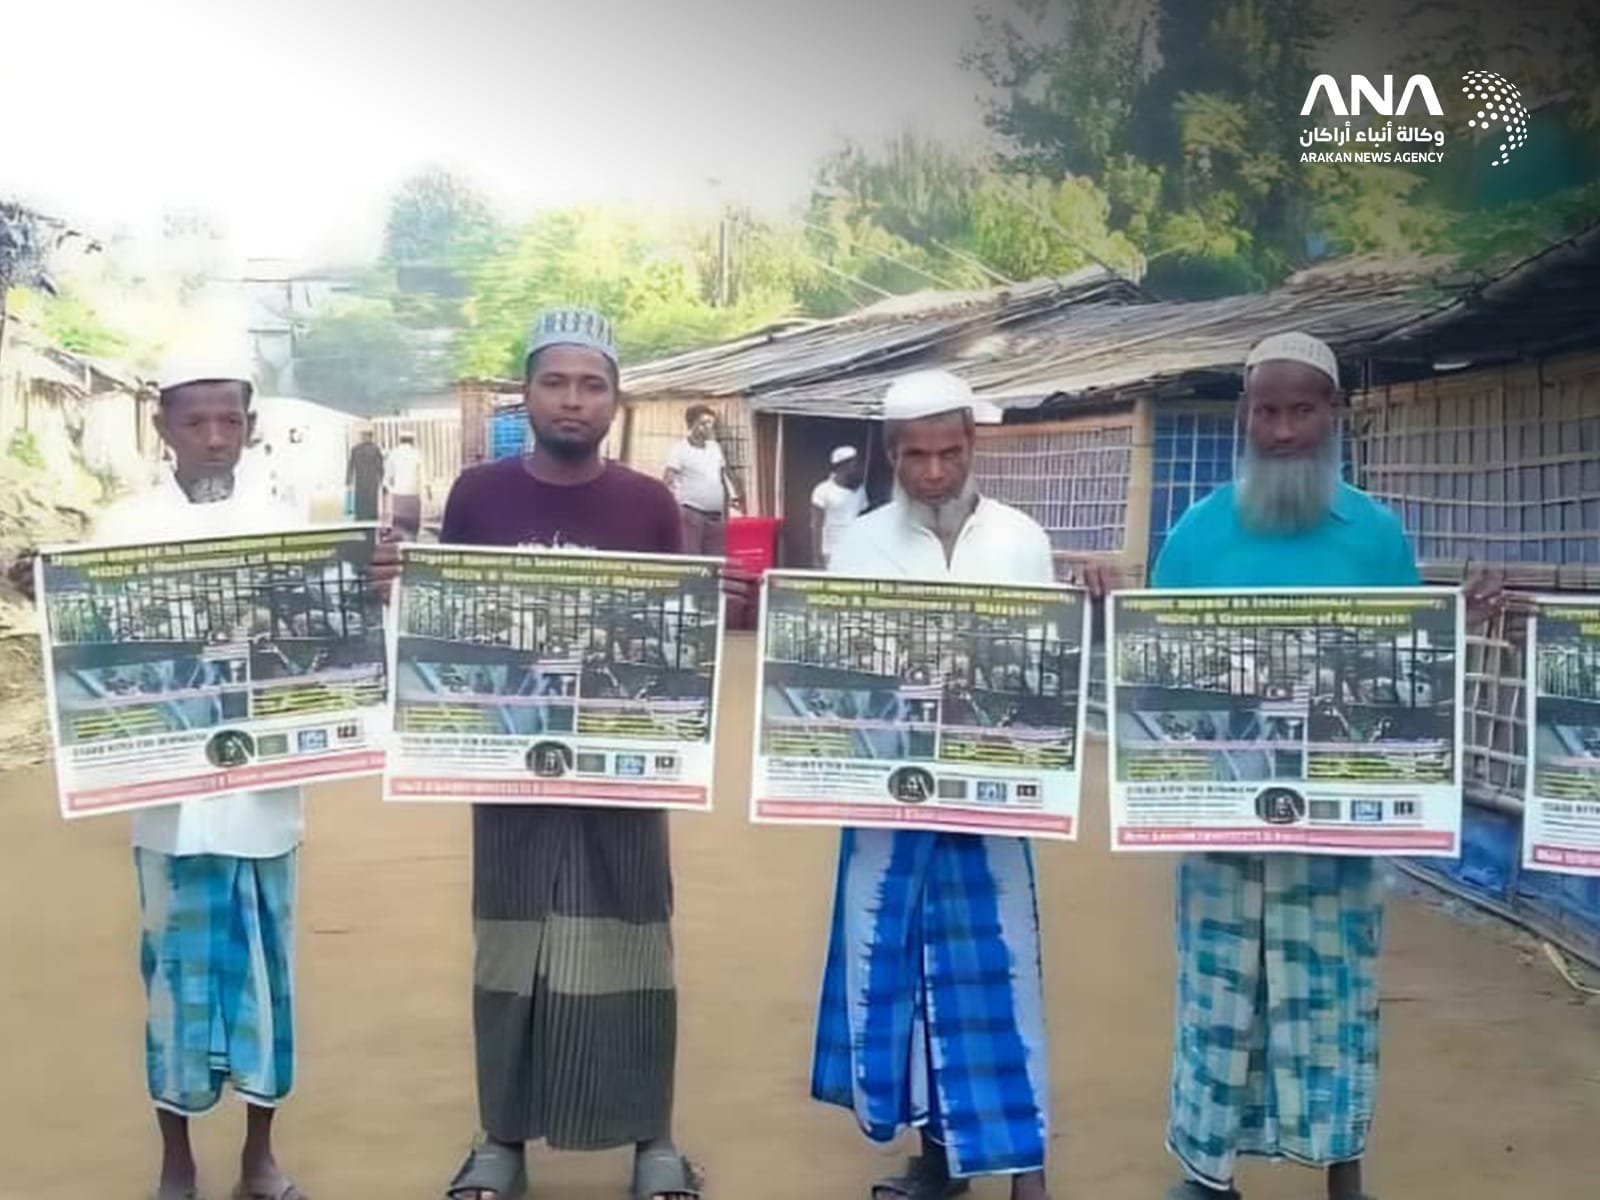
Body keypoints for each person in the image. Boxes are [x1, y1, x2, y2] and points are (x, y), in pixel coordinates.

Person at [1152, 331, 1503, 1200]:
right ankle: (1206, 1174)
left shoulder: (1374, 535)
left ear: (1333, 413)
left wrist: (1457, 623)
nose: (1282, 431)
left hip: (1339, 825)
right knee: (1218, 997)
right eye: (1266, 411)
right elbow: (1153, 669)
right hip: (1221, 820)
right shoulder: (1197, 532)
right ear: (1245, 415)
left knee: (1335, 994)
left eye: (1301, 410)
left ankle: (1344, 1171)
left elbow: (1407, 674)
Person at [424, 308, 704, 1200]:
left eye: (592, 385)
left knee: (634, 938)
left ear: (616, 402)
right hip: (508, 766)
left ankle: (654, 1140)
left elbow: (675, 642)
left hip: (620, 769)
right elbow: (451, 627)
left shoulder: (650, 504)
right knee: (509, 946)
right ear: (527, 394)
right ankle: (501, 1139)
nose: (573, 400)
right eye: (555, 382)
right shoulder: (476, 497)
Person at [812, 369, 1111, 1200]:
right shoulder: (858, 544)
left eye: (949, 452)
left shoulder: (1021, 538)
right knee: (903, 975)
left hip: (992, 804)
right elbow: (838, 673)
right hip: (890, 799)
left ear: (972, 445)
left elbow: (1044, 670)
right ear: (892, 455)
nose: (935, 472)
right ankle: (939, 1162)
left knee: (999, 976)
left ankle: (1026, 1173)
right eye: (917, 456)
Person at [97, 359, 309, 1200]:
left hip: (263, 799)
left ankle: (260, 1158)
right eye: (196, 422)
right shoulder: (121, 528)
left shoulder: (285, 526)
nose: (215, 439)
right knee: (173, 984)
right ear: (164, 428)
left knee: (266, 980)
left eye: (231, 422)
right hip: (168, 805)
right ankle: (176, 1158)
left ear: (251, 426)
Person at [662, 404, 745, 556]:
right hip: (691, 514)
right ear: (691, 424)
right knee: (692, 558)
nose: (708, 428)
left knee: (715, 559)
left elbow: (723, 477)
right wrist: (671, 507)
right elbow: (668, 479)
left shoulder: (714, 448)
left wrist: (732, 501)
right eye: (703, 423)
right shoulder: (680, 449)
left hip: (716, 516)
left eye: (710, 423)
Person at [810, 444, 866, 568]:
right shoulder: (822, 490)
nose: (860, 468)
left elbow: (862, 521)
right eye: (855, 464)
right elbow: (816, 526)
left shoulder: (860, 491)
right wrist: (817, 558)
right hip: (831, 553)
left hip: (855, 553)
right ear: (843, 466)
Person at [385, 430, 423, 540]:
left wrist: (392, 490)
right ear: (412, 441)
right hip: (413, 495)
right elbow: (422, 476)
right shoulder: (417, 454)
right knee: (413, 528)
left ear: (400, 440)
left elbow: (387, 479)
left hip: (398, 496)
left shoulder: (393, 454)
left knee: (399, 527)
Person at [346, 427, 385, 521]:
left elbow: (350, 466)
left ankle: (360, 517)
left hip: (360, 481)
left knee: (360, 501)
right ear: (370, 437)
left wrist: (348, 480)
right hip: (372, 481)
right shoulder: (375, 449)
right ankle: (371, 517)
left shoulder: (355, 449)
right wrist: (382, 479)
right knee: (372, 502)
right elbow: (380, 467)